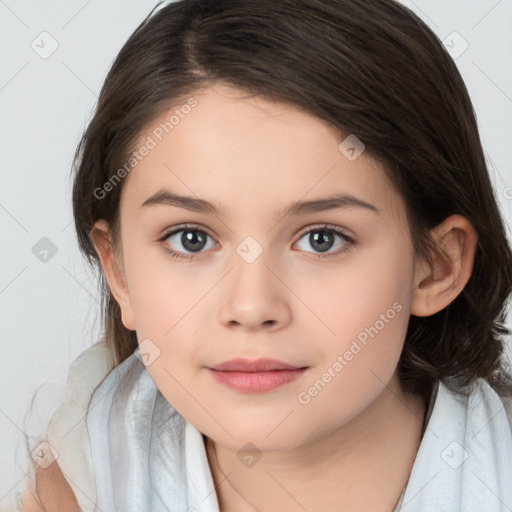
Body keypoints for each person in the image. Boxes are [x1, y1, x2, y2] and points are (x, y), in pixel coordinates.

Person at [17, 0, 512, 511]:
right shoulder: (81, 480)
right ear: (119, 271)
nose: (252, 306)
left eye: (323, 239)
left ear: (436, 266)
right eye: (191, 239)